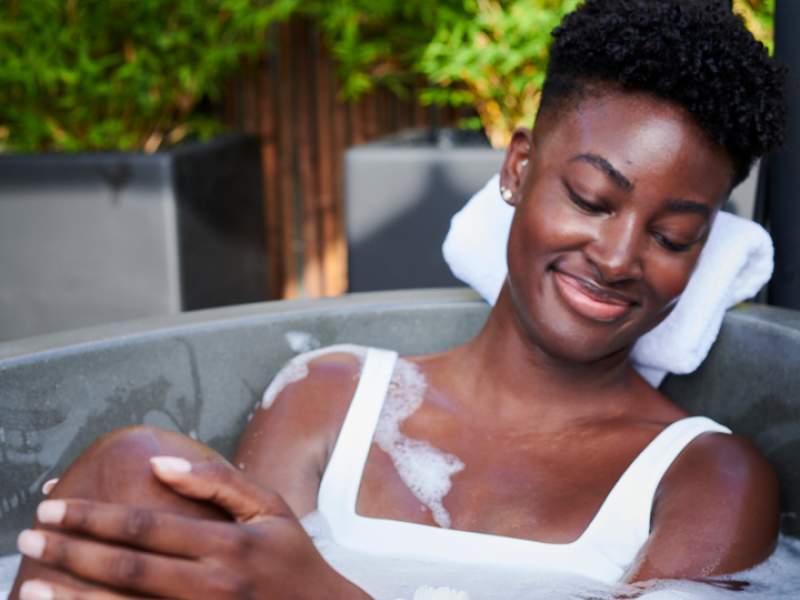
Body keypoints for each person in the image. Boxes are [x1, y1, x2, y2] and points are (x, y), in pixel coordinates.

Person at [11, 1, 787, 598]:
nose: (618, 258)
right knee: (131, 466)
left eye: (674, 237)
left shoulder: (707, 479)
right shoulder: (331, 400)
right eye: (589, 199)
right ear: (517, 169)